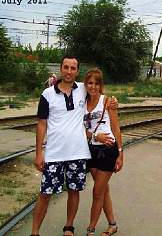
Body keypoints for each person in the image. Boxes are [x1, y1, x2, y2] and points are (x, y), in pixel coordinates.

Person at [31, 56, 117, 236]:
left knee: (74, 191)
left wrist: (113, 102)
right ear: (61, 68)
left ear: (77, 71)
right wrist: (39, 153)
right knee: (45, 193)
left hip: (78, 153)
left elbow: (99, 92)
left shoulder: (82, 89)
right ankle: (35, 231)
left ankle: (69, 226)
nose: (69, 71)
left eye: (73, 68)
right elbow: (41, 124)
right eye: (66, 67)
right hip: (54, 153)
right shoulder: (47, 94)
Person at [84, 68, 124, 236]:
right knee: (103, 190)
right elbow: (81, 130)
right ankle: (112, 224)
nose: (93, 87)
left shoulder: (107, 101)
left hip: (108, 150)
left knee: (97, 192)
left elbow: (116, 127)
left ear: (101, 85)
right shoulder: (82, 103)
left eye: (96, 83)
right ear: (85, 84)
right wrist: (95, 136)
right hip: (91, 150)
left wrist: (121, 153)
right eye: (90, 83)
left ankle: (91, 229)